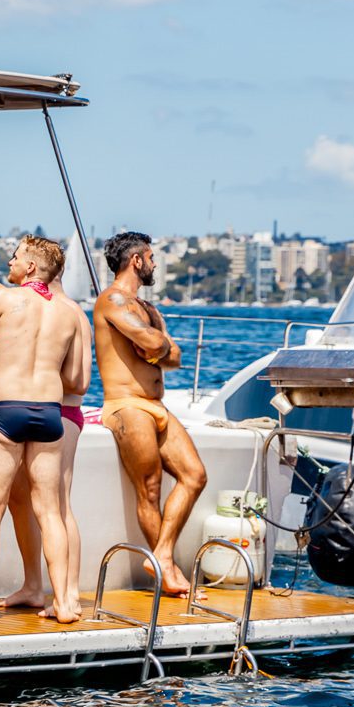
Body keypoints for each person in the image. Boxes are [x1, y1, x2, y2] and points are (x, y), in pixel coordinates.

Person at [0, 236, 87, 624]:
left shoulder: (5, 299)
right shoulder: (69, 312)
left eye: (15, 257)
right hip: (49, 411)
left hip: (7, 409)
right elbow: (75, 378)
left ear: (30, 267)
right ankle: (64, 602)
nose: (9, 263)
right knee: (50, 512)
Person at [92, 229, 207, 596]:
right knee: (150, 488)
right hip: (127, 405)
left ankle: (162, 554)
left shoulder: (149, 309)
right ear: (136, 260)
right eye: (152, 257)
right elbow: (155, 342)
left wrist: (156, 346)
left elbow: (172, 356)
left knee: (194, 475)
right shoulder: (111, 300)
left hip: (157, 406)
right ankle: (166, 572)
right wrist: (156, 344)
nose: (155, 264)